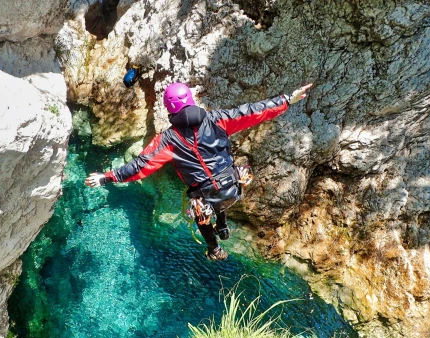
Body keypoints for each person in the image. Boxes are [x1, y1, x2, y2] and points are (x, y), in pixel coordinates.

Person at [85, 82, 313, 261]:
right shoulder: (218, 119)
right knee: (220, 195)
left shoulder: (168, 140)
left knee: (202, 210)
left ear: (169, 109)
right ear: (191, 100)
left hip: (207, 198)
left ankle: (214, 248)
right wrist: (287, 100)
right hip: (234, 188)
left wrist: (106, 177)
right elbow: (253, 111)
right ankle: (223, 225)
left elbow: (140, 167)